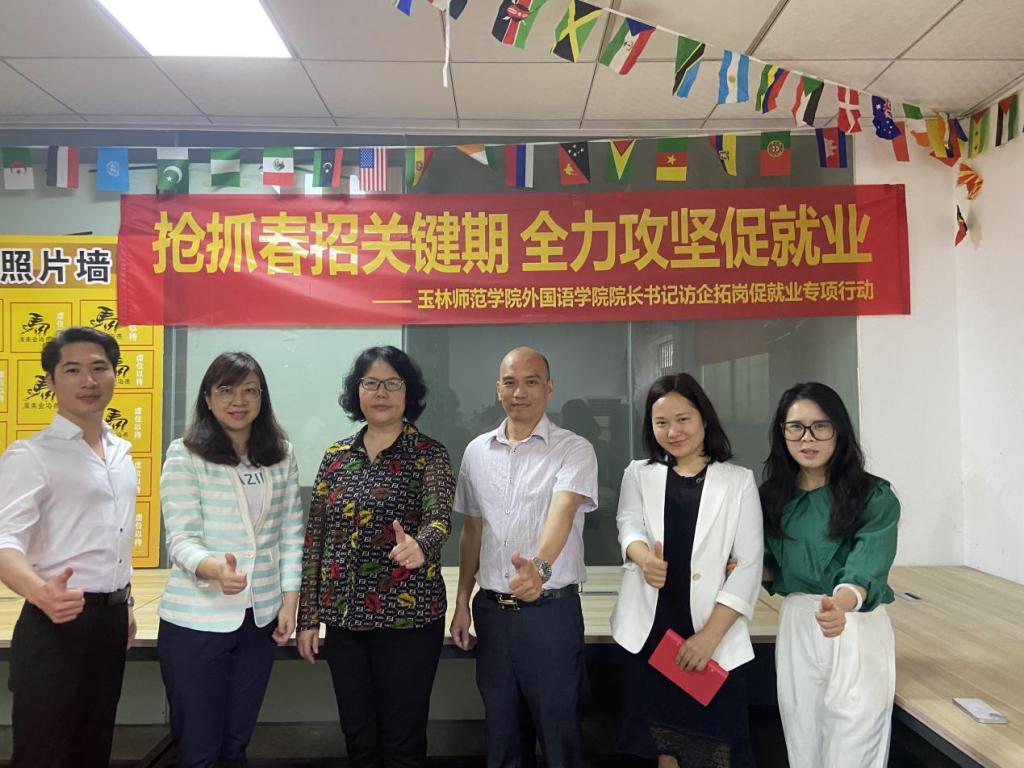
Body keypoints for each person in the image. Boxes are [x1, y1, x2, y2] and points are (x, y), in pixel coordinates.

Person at [297, 346, 454, 768]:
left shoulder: (428, 453)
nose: (381, 393)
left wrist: (421, 544)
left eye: (392, 383)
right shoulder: (336, 457)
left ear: (408, 392)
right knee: (359, 738)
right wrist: (308, 618)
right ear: (357, 391)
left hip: (408, 620)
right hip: (344, 621)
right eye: (371, 383)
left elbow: (440, 518)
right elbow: (316, 539)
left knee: (403, 741)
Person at [450, 346, 599, 768]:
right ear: (498, 389)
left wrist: (540, 568)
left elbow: (562, 512)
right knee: (502, 740)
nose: (520, 392)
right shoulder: (476, 451)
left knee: (559, 738)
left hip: (550, 616)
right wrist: (461, 602)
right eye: (511, 383)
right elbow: (472, 531)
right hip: (493, 616)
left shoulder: (573, 449)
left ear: (549, 388)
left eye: (531, 382)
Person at [157, 352, 304, 768]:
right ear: (207, 397)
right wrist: (214, 569)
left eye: (250, 391)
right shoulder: (185, 454)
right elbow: (181, 539)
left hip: (259, 620)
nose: (239, 401)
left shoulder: (281, 454)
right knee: (198, 750)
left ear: (262, 397)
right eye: (226, 390)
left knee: (236, 743)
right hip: (196, 621)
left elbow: (291, 534)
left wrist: (289, 602)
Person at [0, 326, 137, 768]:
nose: (88, 381)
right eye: (72, 370)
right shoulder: (31, 455)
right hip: (54, 621)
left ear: (115, 374)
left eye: (99, 368)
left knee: (94, 748)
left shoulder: (121, 453)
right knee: (44, 752)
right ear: (50, 381)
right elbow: (4, 541)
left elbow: (114, 538)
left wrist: (126, 601)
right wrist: (40, 592)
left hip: (110, 621)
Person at [610, 373, 763, 768]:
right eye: (661, 422)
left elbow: (748, 564)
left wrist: (708, 638)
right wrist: (643, 558)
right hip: (650, 633)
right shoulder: (639, 474)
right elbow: (628, 525)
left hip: (711, 635)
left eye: (683, 419)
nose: (673, 431)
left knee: (712, 751)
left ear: (704, 419)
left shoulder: (738, 482)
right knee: (662, 752)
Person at [760, 382, 899, 768]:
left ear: (839, 430)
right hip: (798, 625)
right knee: (803, 745)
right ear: (782, 432)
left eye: (820, 426)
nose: (807, 438)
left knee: (853, 750)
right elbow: (773, 564)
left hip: (853, 623)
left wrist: (841, 604)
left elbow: (866, 566)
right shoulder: (771, 497)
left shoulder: (874, 496)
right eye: (795, 427)